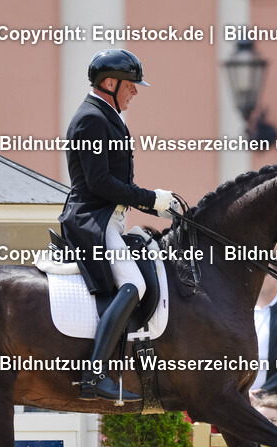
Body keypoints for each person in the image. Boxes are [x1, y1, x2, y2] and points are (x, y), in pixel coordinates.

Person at [58, 49, 179, 403]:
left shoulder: (107, 117)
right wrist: (150, 198)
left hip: (109, 217)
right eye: (131, 85)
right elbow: (100, 183)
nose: (135, 91)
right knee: (134, 284)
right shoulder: (91, 120)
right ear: (110, 83)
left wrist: (155, 206)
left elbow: (116, 184)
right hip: (92, 220)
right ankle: (94, 375)